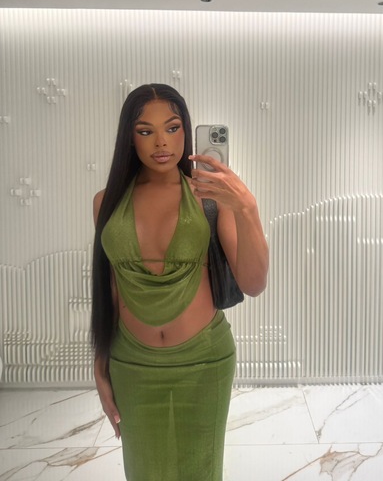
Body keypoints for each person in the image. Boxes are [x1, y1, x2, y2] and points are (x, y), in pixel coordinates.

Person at [91, 83, 268, 481]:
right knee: (143, 472)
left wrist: (247, 208)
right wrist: (100, 364)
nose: (161, 142)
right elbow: (110, 289)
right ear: (129, 137)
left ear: (186, 131)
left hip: (204, 361)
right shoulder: (106, 203)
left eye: (172, 128)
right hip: (131, 364)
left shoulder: (209, 197)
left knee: (201, 471)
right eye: (145, 130)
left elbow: (254, 283)